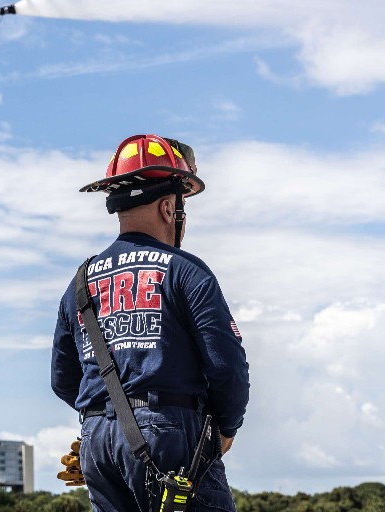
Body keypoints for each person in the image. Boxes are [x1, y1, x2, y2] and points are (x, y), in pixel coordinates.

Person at [51, 134, 250, 512]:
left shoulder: (80, 282)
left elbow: (63, 381)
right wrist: (225, 429)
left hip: (98, 444)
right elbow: (228, 368)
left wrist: (111, 420)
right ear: (167, 208)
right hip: (169, 435)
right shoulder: (185, 271)